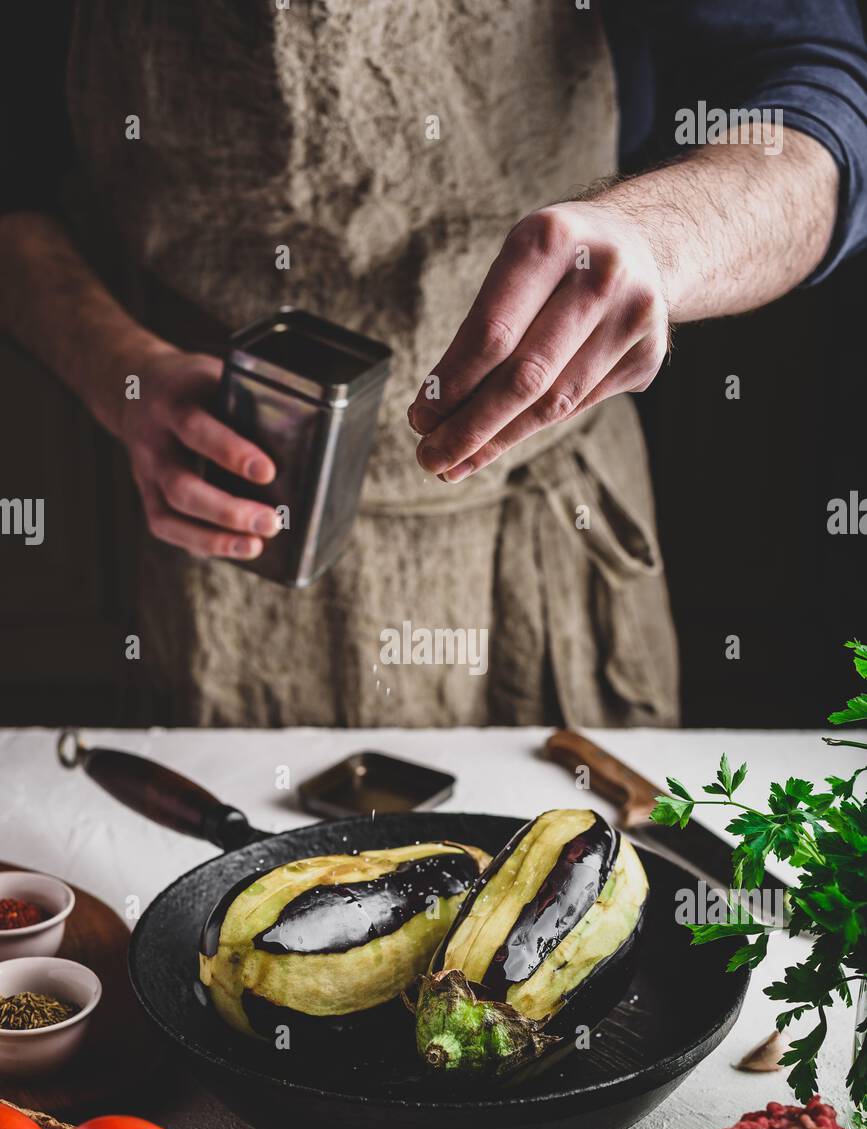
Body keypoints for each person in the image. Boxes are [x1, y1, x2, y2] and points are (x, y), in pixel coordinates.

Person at [2, 1, 866, 728]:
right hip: (217, 546)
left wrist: (658, 240)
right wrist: (121, 372)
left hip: (538, 546)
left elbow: (831, 100)